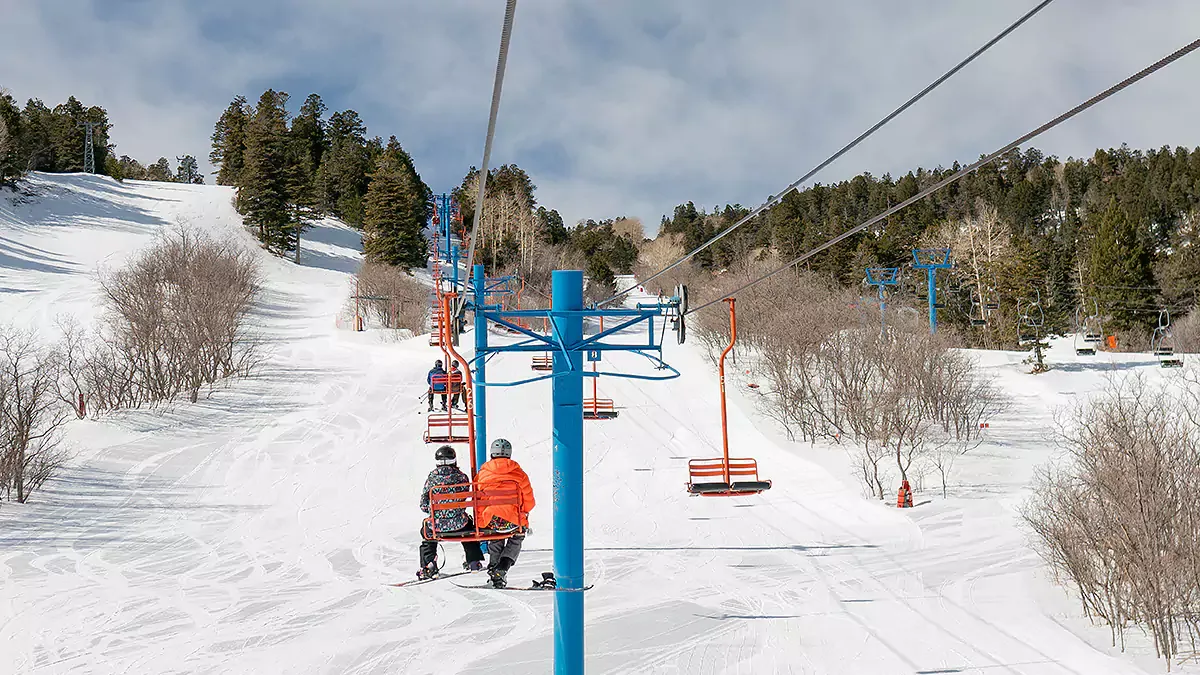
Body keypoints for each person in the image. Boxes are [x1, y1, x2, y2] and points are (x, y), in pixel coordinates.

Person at [417, 445, 485, 580]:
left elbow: (423, 505)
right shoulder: (462, 477)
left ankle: (429, 564)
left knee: (426, 532)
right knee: (469, 527)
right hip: (459, 524)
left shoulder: (432, 479)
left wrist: (434, 511)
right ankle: (473, 561)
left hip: (437, 526)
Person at [476, 438, 535, 588]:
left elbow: (478, 500)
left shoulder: (482, 474)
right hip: (513, 521)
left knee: (496, 538)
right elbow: (529, 502)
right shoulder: (519, 474)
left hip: (491, 520)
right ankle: (502, 567)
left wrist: (482, 519)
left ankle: (494, 570)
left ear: (492, 454)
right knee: (517, 537)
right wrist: (522, 513)